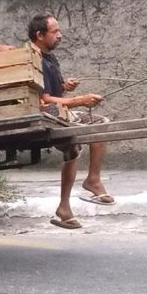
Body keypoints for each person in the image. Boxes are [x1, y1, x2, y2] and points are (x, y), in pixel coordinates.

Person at [27, 13, 115, 230]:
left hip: (56, 110)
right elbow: (44, 99)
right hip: (45, 113)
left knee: (100, 124)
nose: (60, 35)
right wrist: (80, 100)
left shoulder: (47, 56)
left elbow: (48, 87)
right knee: (74, 142)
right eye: (55, 31)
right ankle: (68, 203)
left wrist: (64, 85)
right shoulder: (34, 58)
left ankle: (91, 181)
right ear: (39, 35)